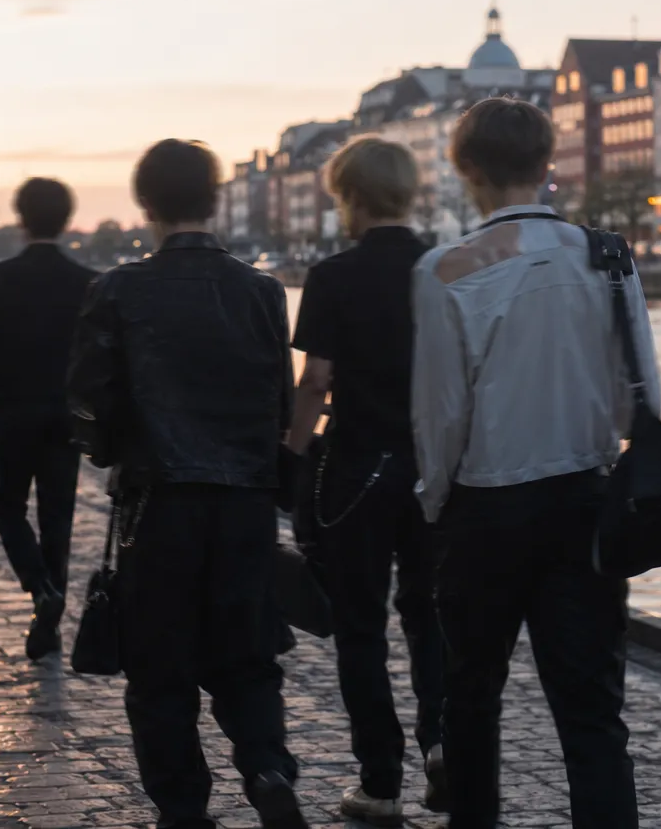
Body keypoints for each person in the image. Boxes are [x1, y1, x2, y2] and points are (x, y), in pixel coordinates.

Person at [413, 98, 660, 829]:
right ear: (548, 164)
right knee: (591, 713)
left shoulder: (449, 268)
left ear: (466, 172)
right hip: (584, 504)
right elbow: (636, 400)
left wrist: (433, 505)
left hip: (485, 509)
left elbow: (441, 416)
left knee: (472, 698)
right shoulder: (608, 256)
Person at [68, 139, 308, 829]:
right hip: (245, 505)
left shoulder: (116, 291)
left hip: (159, 504)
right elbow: (281, 407)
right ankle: (265, 767)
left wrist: (108, 448)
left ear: (146, 205)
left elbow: (88, 404)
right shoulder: (262, 293)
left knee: (160, 670)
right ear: (215, 199)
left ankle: (183, 810)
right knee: (249, 652)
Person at [287, 139, 444, 826]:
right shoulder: (445, 271)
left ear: (347, 195)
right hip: (434, 471)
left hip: (356, 471)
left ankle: (381, 782)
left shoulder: (333, 275)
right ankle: (442, 741)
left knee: (360, 628)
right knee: (429, 614)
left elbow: (317, 380)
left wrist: (293, 456)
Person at [0, 177, 98, 660]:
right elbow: (96, 361)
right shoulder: (88, 282)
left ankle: (40, 588)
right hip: (66, 420)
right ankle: (50, 626)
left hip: (13, 417)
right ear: (66, 220)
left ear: (21, 218)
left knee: (7, 509)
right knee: (58, 518)